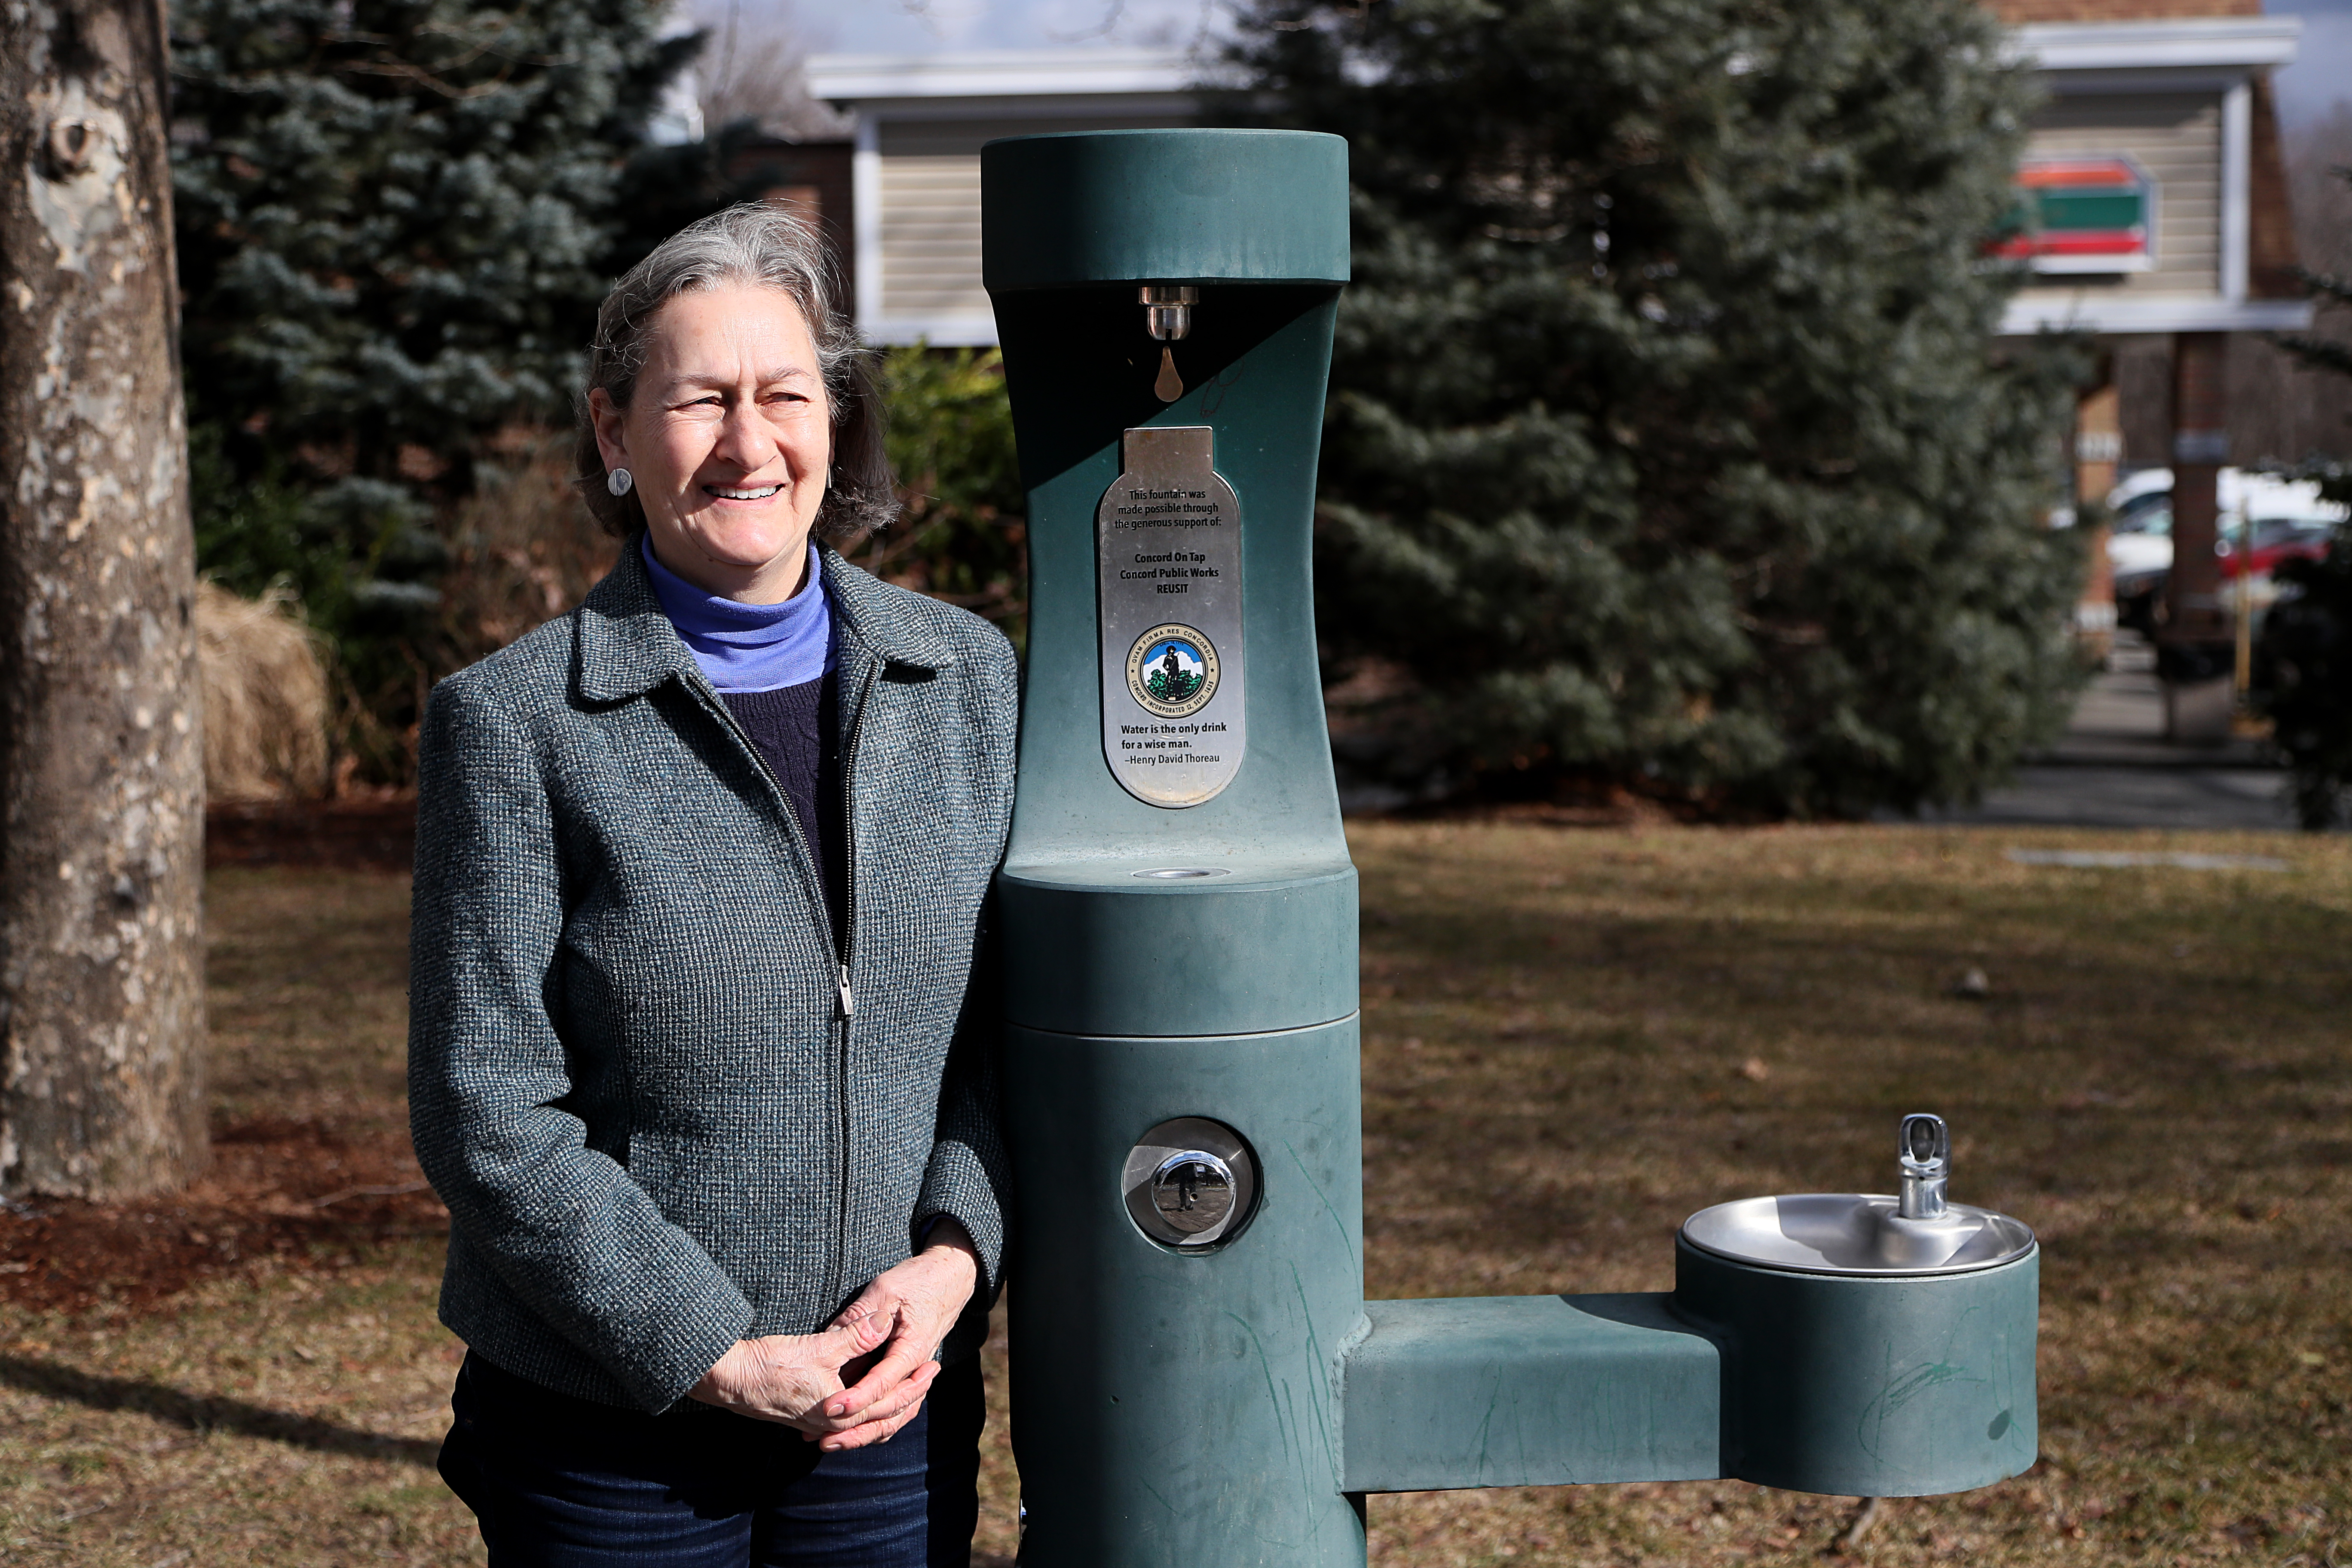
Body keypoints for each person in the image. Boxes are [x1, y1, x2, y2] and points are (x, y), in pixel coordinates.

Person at [407, 203, 1017, 1567]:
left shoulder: (966, 680)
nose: (751, 444)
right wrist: (713, 1353)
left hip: (889, 1411)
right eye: (701, 401)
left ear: (836, 425)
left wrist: (953, 1260)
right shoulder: (516, 723)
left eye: (786, 396)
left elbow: (1008, 1034)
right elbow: (484, 1108)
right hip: (611, 1440)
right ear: (617, 436)